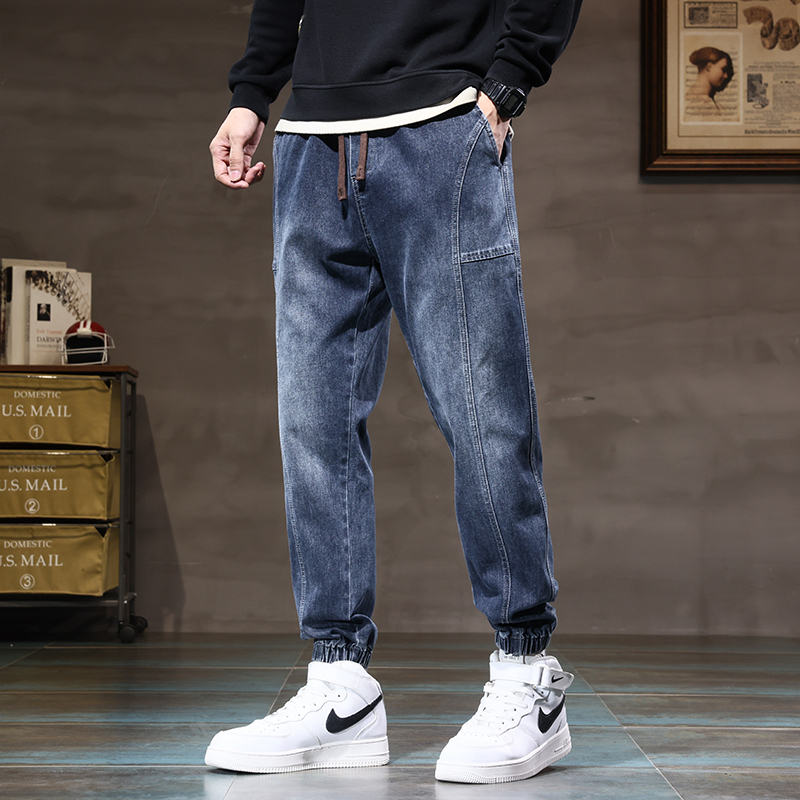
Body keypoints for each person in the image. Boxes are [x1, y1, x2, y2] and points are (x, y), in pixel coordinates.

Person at [206, 0, 582, 784]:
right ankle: (339, 682)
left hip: (442, 124)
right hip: (312, 138)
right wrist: (252, 94)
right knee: (312, 423)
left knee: (482, 410)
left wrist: (508, 83)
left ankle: (527, 670)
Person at [686, 46, 734, 116]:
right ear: (709, 67)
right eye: (723, 70)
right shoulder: (693, 101)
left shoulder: (710, 101)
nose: (726, 76)